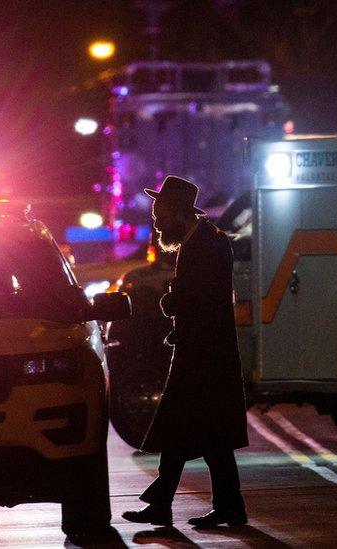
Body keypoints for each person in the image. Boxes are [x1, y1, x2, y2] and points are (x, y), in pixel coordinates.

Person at [122, 175, 249, 528]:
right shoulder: (202, 242)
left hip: (205, 359)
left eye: (159, 214)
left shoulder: (206, 245)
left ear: (178, 213)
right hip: (200, 354)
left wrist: (170, 299)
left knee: (193, 433)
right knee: (201, 436)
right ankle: (222, 507)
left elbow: (202, 301)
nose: (155, 221)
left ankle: (191, 506)